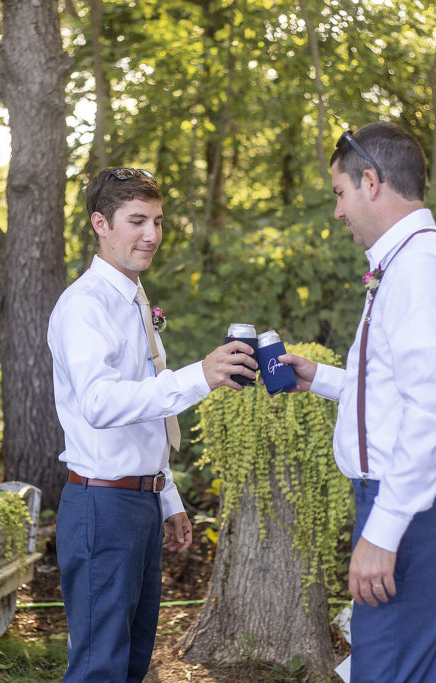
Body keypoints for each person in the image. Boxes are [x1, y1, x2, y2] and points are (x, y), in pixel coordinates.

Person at [280, 122, 436, 682]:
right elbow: (395, 392)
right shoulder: (408, 262)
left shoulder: (420, 268)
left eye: (340, 193)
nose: (338, 212)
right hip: (408, 502)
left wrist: (384, 531)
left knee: (387, 673)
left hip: (412, 510)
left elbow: (431, 411)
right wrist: (317, 378)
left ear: (371, 182)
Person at [47, 167, 257, 682]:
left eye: (158, 222)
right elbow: (99, 403)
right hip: (100, 508)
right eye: (137, 220)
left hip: (138, 504)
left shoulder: (137, 301)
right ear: (101, 223)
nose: (152, 235)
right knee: (100, 667)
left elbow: (144, 415)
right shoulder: (84, 308)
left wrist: (166, 498)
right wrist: (200, 376)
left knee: (134, 662)